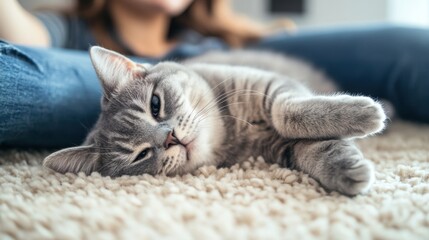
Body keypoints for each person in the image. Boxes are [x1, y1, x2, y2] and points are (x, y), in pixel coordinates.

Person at [1, 0, 428, 147]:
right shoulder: (73, 31)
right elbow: (22, 40)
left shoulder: (221, 34)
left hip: (237, 57)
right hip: (86, 82)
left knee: (409, 46)